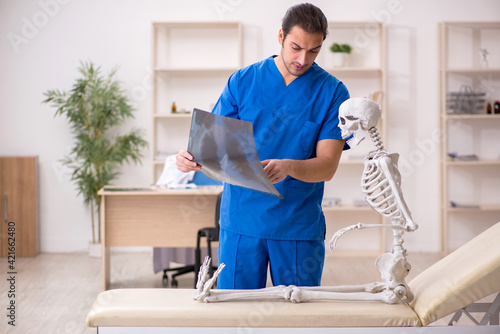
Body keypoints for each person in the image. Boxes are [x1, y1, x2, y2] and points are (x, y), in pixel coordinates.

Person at [176, 3, 349, 289]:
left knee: (298, 317)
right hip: (242, 222)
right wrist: (191, 160)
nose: (303, 59)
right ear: (280, 36)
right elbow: (214, 150)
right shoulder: (242, 82)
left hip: (297, 225)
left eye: (314, 50)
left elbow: (328, 166)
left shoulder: (332, 92)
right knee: (235, 312)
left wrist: (289, 166)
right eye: (296, 47)